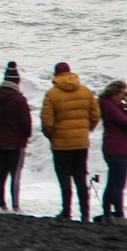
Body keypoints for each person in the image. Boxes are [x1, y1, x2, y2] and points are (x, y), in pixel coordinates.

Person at [41, 61, 100, 222]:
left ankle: (66, 211)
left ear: (55, 75)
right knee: (80, 178)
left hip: (60, 144)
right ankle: (85, 213)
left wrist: (51, 136)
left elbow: (47, 122)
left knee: (64, 179)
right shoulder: (86, 91)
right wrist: (85, 131)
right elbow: (95, 116)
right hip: (81, 143)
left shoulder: (51, 94)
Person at [0, 62, 31, 211]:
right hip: (16, 142)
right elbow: (26, 123)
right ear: (17, 81)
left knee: (1, 174)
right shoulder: (19, 99)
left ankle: (2, 205)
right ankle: (16, 206)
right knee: (15, 175)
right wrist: (25, 137)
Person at [98, 81, 127, 224]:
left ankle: (108, 214)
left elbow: (125, 120)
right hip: (117, 148)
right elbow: (125, 122)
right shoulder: (108, 105)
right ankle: (118, 215)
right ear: (115, 94)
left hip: (114, 148)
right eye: (123, 94)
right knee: (118, 183)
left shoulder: (110, 104)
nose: (125, 97)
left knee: (112, 183)